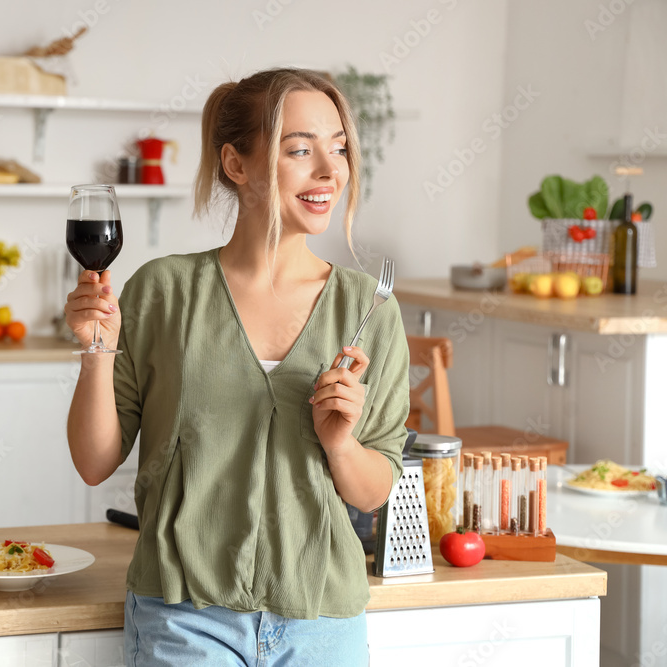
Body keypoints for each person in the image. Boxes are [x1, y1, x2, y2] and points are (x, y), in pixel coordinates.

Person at [65, 67, 410, 666]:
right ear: (236, 164)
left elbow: (375, 490)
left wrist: (342, 443)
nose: (330, 172)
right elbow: (95, 463)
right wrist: (96, 349)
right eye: (300, 150)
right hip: (185, 615)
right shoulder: (163, 292)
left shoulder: (368, 308)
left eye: (339, 149)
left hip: (323, 619)